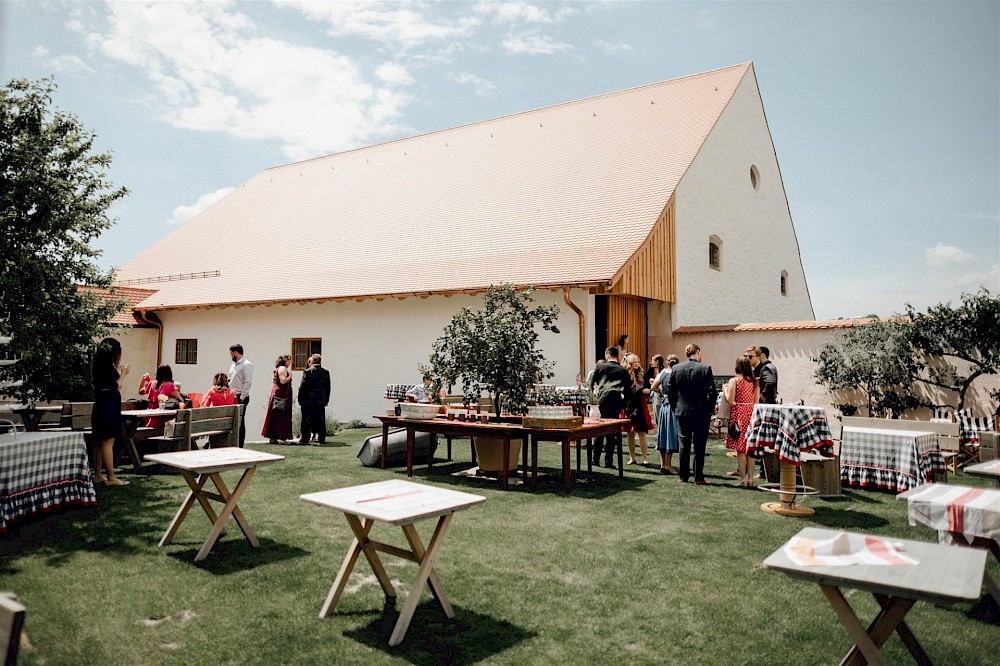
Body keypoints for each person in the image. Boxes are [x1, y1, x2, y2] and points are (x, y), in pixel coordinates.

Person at [667, 343, 717, 485]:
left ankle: (683, 476)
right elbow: (712, 392)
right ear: (698, 352)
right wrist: (710, 408)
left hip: (682, 411)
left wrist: (675, 407)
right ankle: (698, 477)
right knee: (700, 445)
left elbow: (671, 392)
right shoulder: (705, 368)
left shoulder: (676, 368)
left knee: (684, 444)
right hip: (701, 412)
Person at [90, 337, 130, 486]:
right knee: (108, 441)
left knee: (100, 442)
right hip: (109, 407)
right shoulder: (107, 368)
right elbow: (116, 386)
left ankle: (98, 474)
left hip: (100, 405)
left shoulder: (98, 365)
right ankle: (111, 477)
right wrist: (124, 373)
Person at [589, 346, 635, 469]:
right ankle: (609, 461)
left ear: (608, 354)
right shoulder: (623, 370)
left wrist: (594, 396)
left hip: (602, 400)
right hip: (616, 400)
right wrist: (624, 403)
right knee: (612, 431)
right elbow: (628, 389)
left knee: (599, 429)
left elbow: (592, 382)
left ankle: (595, 458)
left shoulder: (601, 367)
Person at [723, 356, 760, 488]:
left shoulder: (735, 381)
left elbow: (730, 400)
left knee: (740, 449)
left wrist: (725, 390)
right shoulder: (755, 382)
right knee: (750, 449)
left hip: (739, 414)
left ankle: (743, 479)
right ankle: (750, 479)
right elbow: (756, 402)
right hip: (752, 414)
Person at [651, 354, 680, 474]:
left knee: (662, 434)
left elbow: (653, 387)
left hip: (664, 405)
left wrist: (662, 391)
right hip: (673, 406)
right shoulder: (677, 373)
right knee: (670, 435)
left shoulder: (662, 373)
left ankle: (663, 464)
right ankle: (668, 465)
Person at [624, 353, 653, 466]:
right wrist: (641, 390)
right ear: (629, 364)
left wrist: (646, 390)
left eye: (637, 361)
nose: (636, 363)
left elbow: (647, 387)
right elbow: (627, 389)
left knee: (642, 432)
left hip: (640, 405)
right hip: (629, 405)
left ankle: (645, 458)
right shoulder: (625, 374)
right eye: (633, 362)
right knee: (630, 432)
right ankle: (632, 458)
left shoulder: (643, 373)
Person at [298, 354, 331, 445]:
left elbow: (302, 387)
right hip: (320, 400)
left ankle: (305, 438)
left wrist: (300, 399)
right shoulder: (326, 372)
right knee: (320, 419)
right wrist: (326, 399)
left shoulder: (307, 372)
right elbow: (328, 388)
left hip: (308, 400)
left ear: (311, 361)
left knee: (306, 420)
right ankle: (322, 438)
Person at [262, 354, 293, 444]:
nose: (289, 363)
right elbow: (283, 380)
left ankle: (274, 436)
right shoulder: (282, 368)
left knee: (276, 413)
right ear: (284, 360)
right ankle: (280, 436)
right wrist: (290, 376)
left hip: (278, 392)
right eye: (288, 360)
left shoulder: (277, 368)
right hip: (281, 394)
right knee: (280, 413)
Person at [228, 344, 254, 447]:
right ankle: (233, 443)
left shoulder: (246, 364)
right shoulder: (233, 365)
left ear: (235, 353)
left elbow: (248, 382)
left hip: (240, 396)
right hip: (232, 396)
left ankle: (240, 444)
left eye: (231, 353)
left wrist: (242, 398)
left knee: (240, 421)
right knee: (233, 421)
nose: (231, 356)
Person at [144, 365, 181, 429]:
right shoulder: (169, 386)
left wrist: (144, 380)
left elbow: (140, 391)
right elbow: (181, 400)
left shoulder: (151, 383)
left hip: (148, 417)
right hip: (162, 419)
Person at [647, 354, 666, 423]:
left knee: (660, 415)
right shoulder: (651, 371)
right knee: (656, 415)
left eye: (652, 361)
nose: (651, 362)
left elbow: (662, 384)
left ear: (657, 361)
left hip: (660, 395)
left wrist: (654, 382)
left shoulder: (663, 371)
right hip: (654, 394)